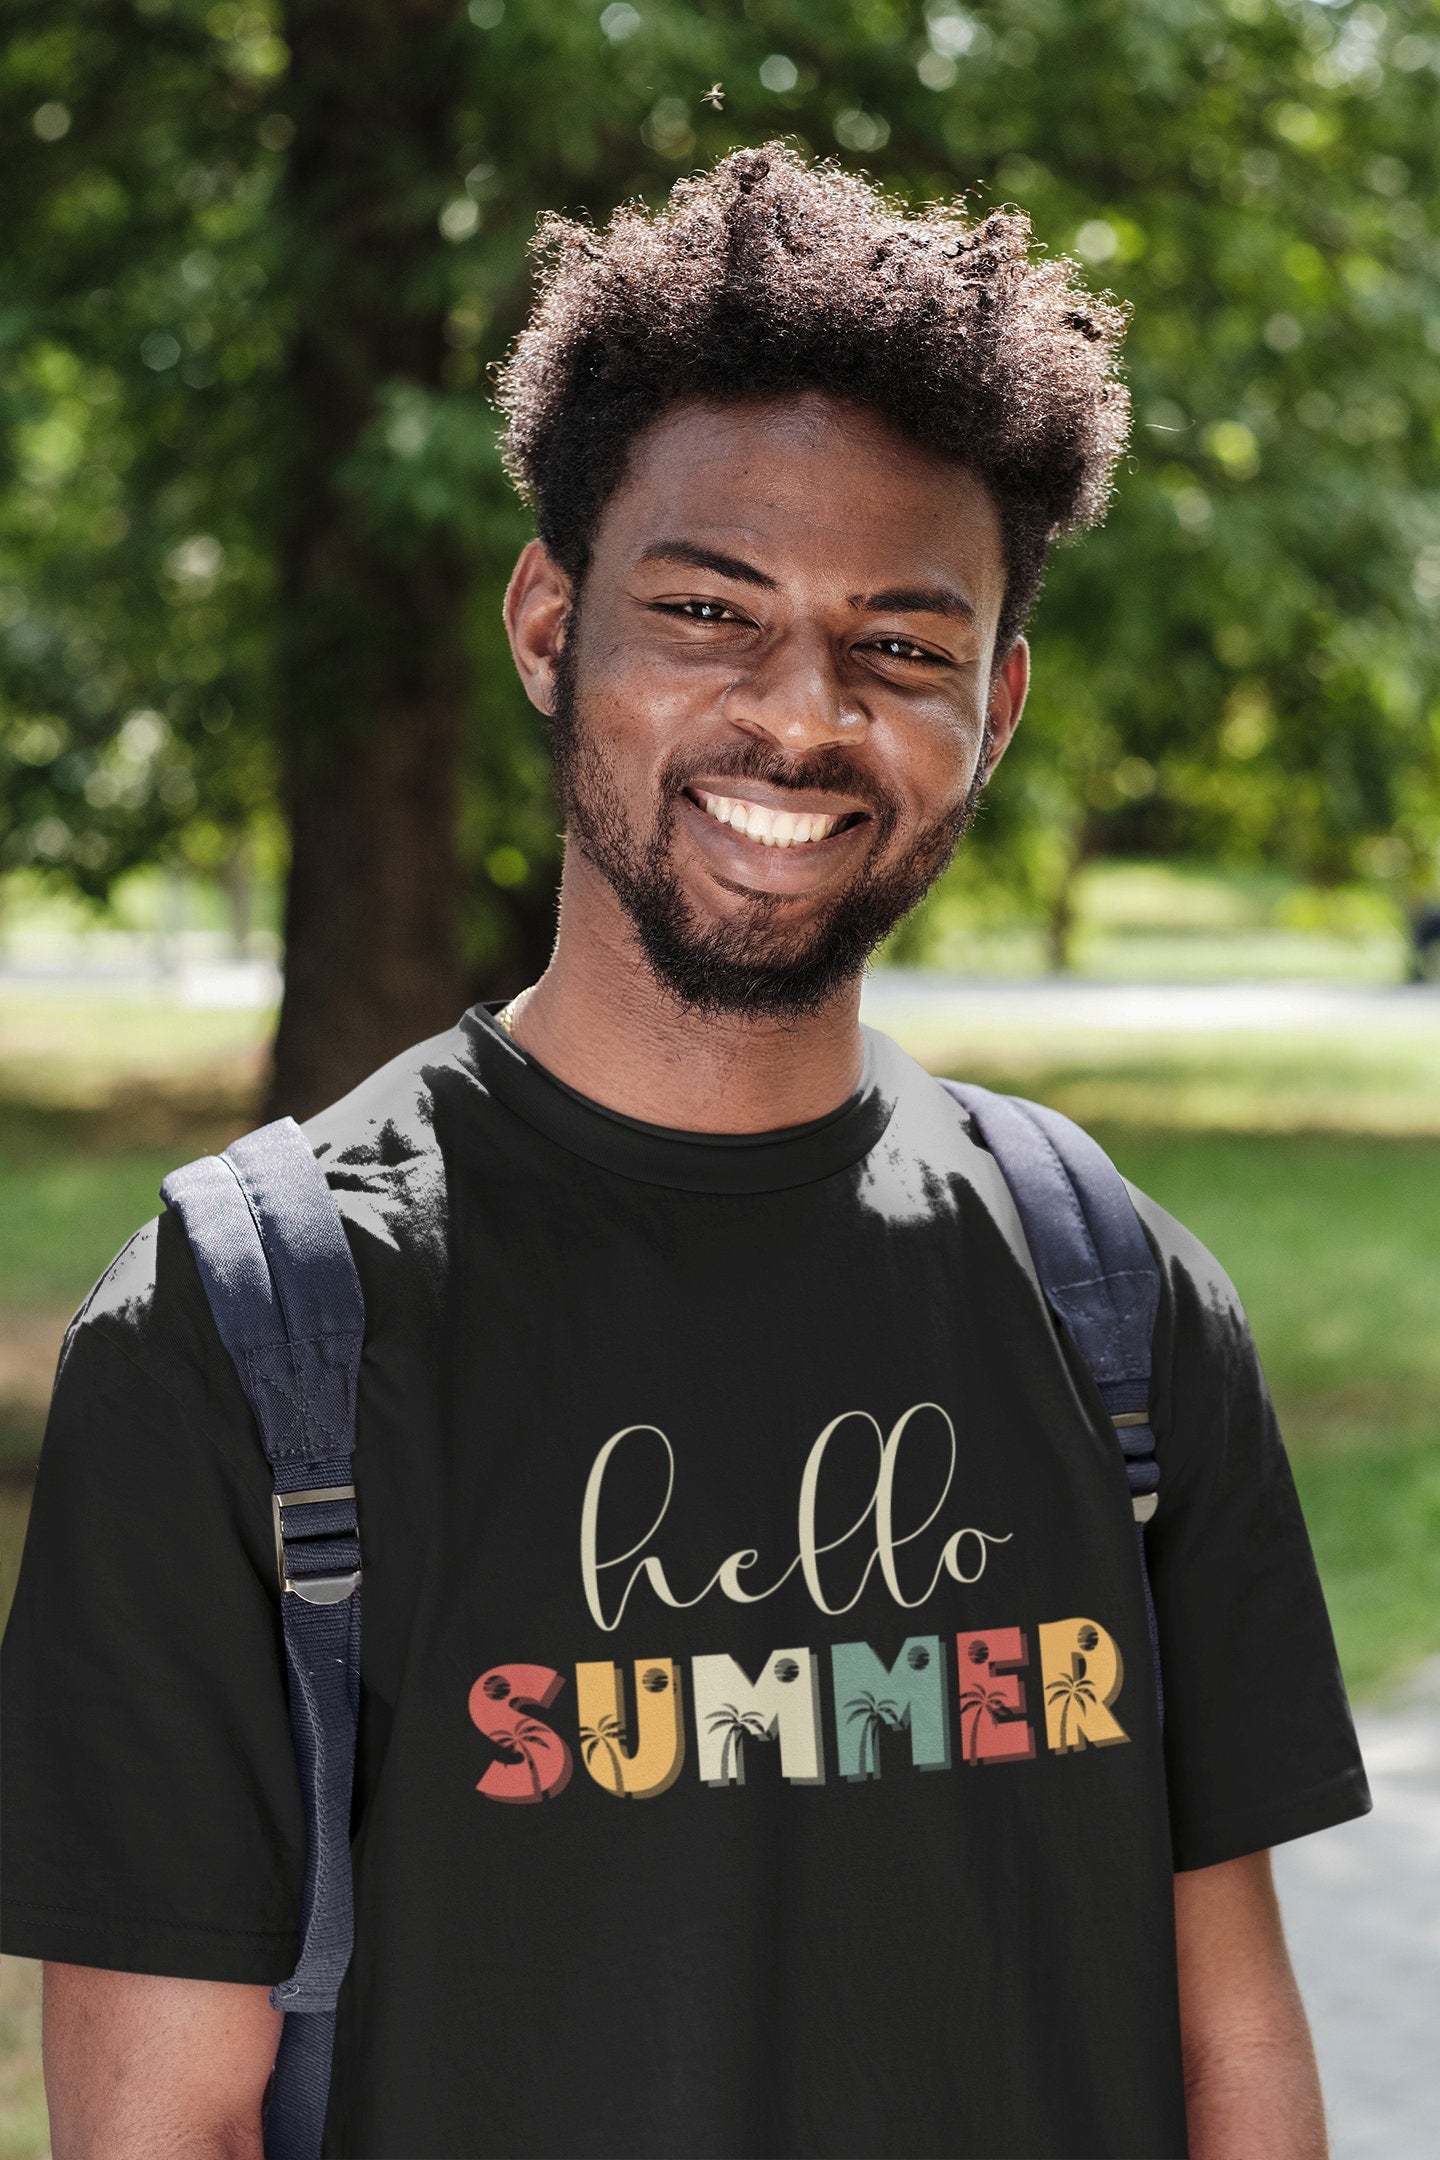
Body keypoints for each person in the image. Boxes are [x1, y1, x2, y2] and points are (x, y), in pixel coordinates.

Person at [2, 146, 1369, 2160]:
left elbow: (1235, 2072)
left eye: (902, 647)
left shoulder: (1117, 1302)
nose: (799, 716)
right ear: (551, 623)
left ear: (994, 709)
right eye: (710, 611)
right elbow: (160, 2135)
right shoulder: (249, 1341)